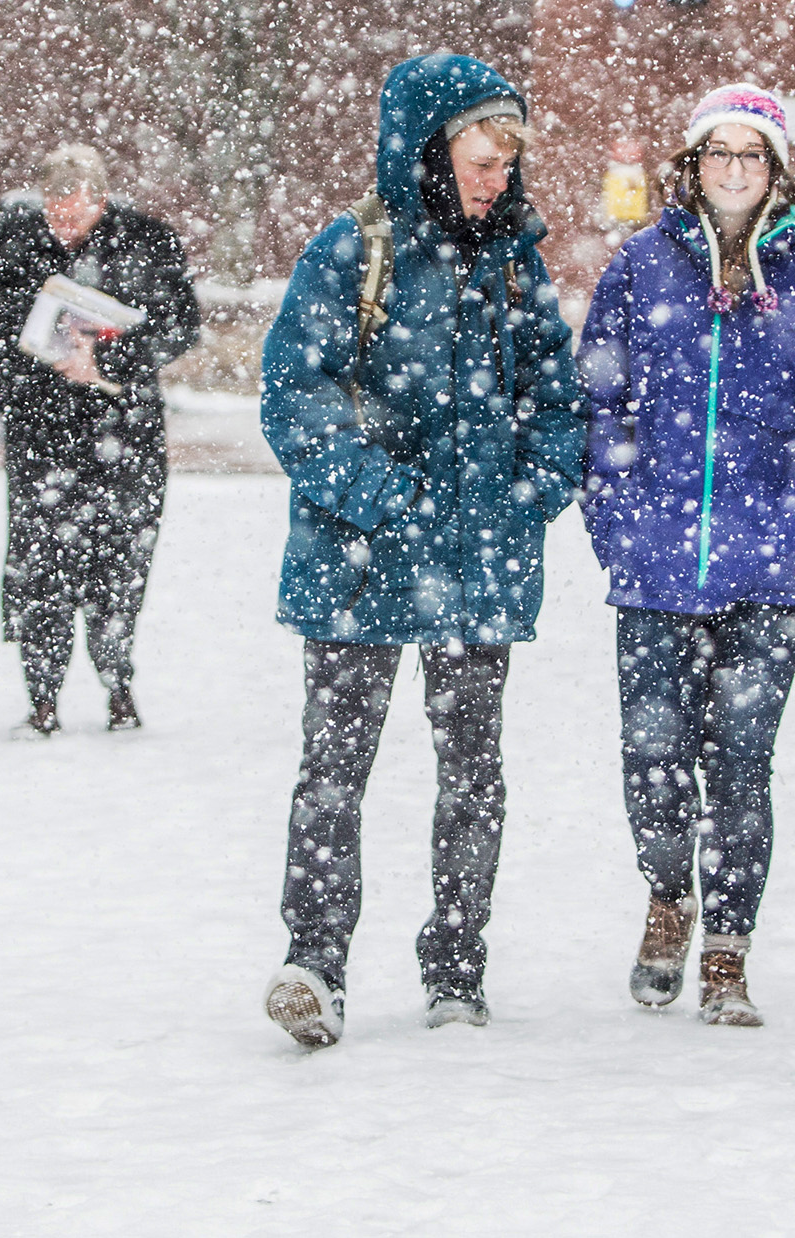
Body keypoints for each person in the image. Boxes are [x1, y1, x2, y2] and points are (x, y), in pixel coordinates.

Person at [256, 54, 582, 1047]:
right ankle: (314, 961)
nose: (496, 180)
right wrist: (384, 498)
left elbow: (558, 406)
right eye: (481, 159)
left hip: (479, 560)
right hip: (357, 560)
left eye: (506, 162)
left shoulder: (516, 268)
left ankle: (457, 965)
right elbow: (295, 398)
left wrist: (530, 494)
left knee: (472, 769)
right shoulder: (349, 255)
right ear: (429, 153)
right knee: (334, 765)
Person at [577, 83, 795, 1026]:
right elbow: (600, 397)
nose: (733, 171)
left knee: (742, 760)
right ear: (693, 164)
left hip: (771, 569)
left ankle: (727, 946)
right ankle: (668, 902)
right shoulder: (642, 265)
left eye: (751, 155)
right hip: (657, 565)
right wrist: (616, 516)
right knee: (653, 754)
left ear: (778, 169)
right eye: (718, 153)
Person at [0, 144, 200, 736]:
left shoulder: (148, 241)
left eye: (76, 206)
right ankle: (42, 695)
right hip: (41, 435)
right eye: (54, 205)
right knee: (39, 565)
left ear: (101, 197)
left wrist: (108, 359)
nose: (63, 218)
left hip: (123, 432)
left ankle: (117, 683)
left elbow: (180, 326)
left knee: (121, 560)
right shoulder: (15, 244)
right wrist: (42, 374)